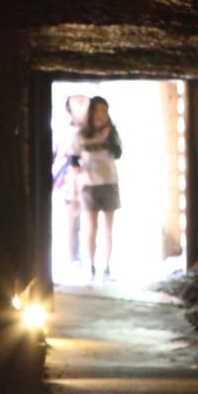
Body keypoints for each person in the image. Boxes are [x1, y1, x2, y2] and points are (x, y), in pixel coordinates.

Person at [72, 96, 122, 279]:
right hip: (89, 185)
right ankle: (90, 267)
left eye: (105, 110)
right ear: (91, 111)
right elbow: (73, 158)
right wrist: (80, 176)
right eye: (99, 109)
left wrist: (107, 138)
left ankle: (106, 267)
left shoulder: (112, 133)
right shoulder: (81, 135)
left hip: (109, 181)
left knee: (108, 227)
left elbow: (118, 154)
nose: (102, 114)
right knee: (90, 227)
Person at [54, 93, 90, 273]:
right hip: (69, 180)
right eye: (76, 101)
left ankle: (90, 259)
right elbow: (56, 153)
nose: (81, 104)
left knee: (91, 221)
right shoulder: (64, 129)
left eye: (84, 101)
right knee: (72, 220)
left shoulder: (94, 129)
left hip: (92, 179)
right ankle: (73, 259)